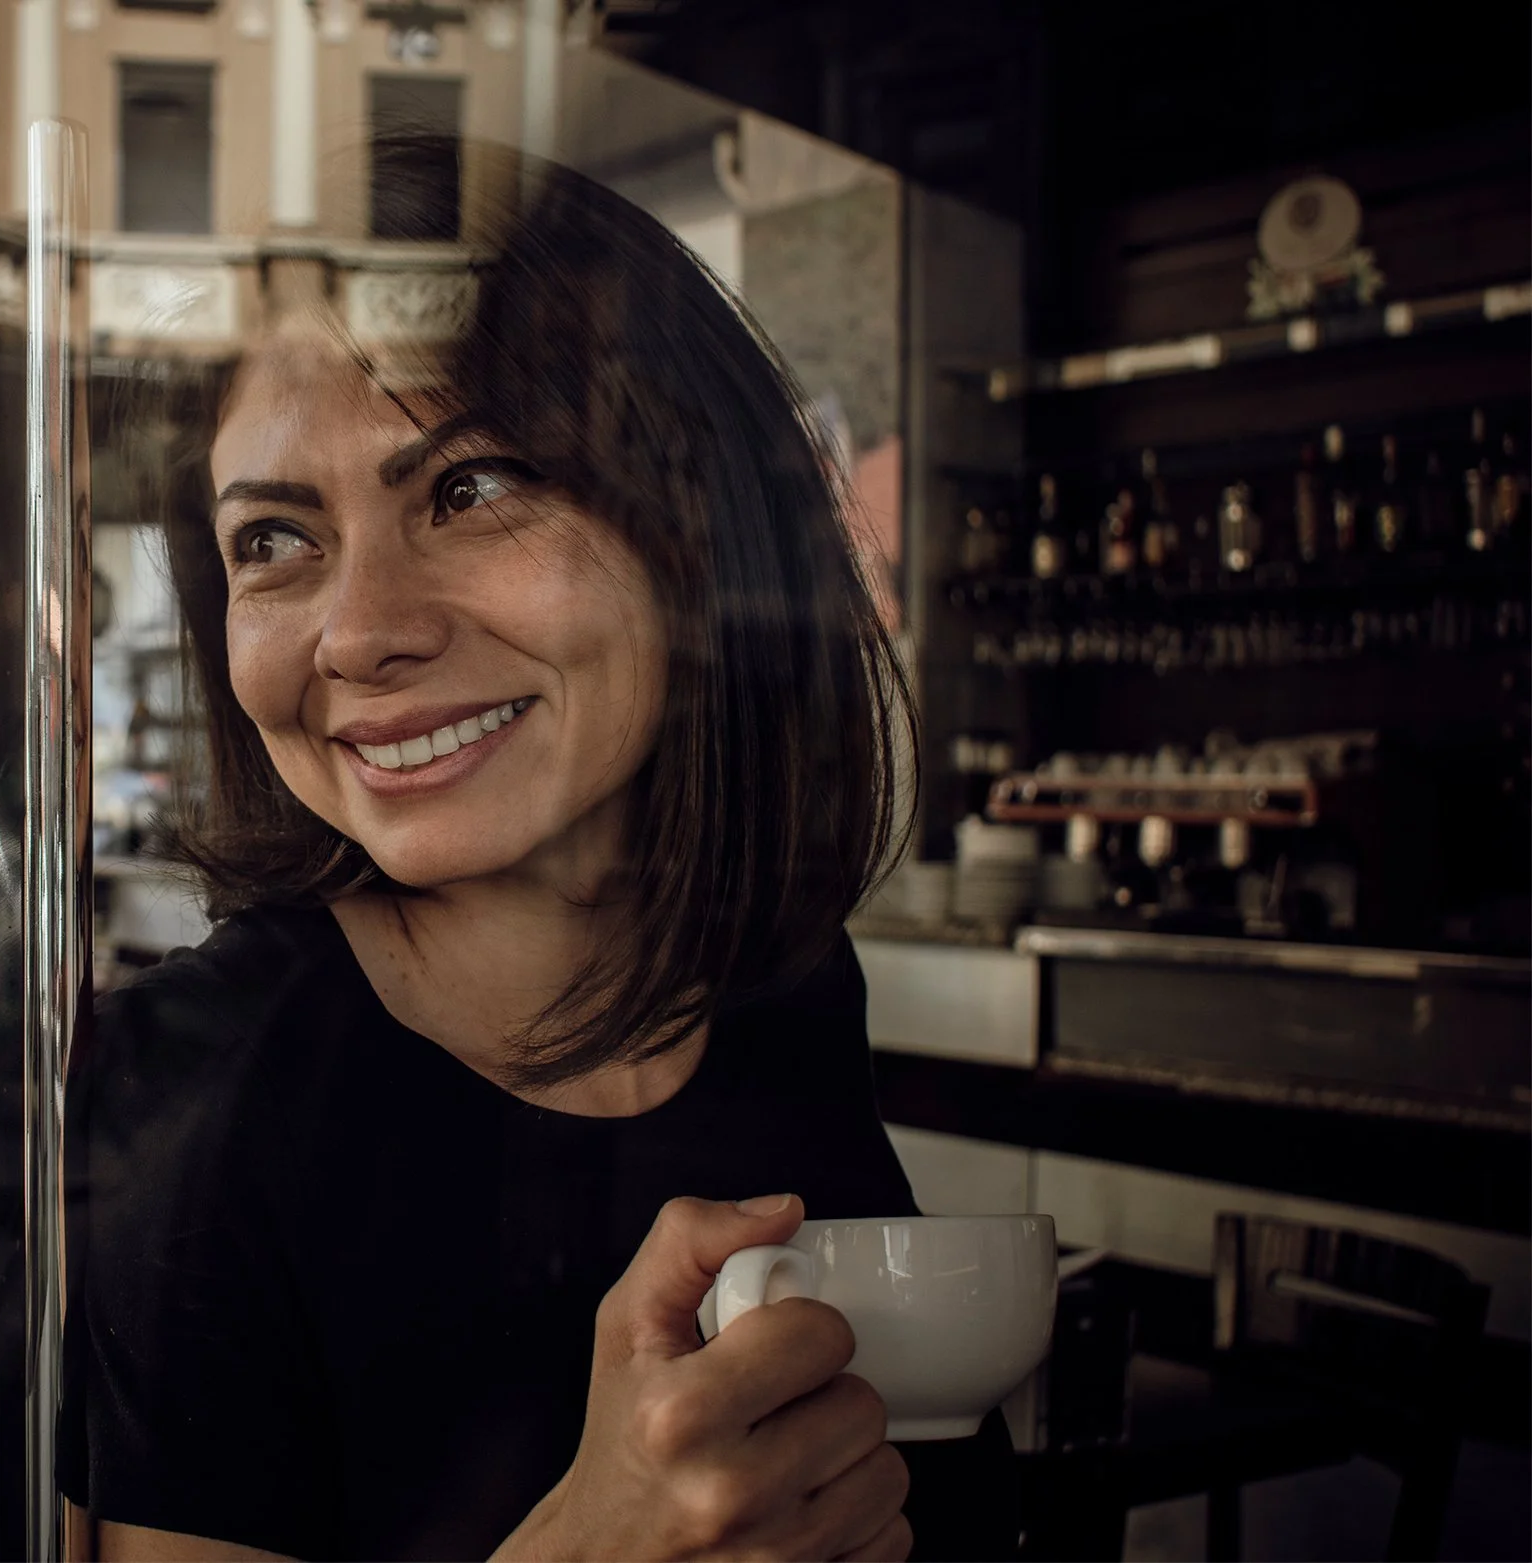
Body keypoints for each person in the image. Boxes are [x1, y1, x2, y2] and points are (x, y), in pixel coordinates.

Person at [59, 143, 1015, 1561]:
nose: (361, 628)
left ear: (695, 527)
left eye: (472, 485)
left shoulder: (777, 985)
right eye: (275, 537)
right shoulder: (189, 1085)